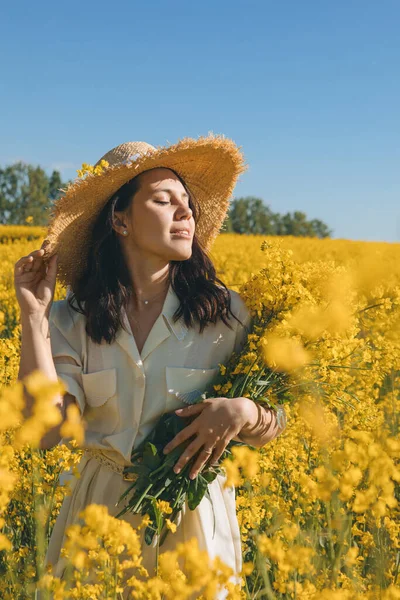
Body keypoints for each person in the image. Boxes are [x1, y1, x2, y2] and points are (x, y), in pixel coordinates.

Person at [14, 134, 287, 599]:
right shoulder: (71, 318)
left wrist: (243, 412)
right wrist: (33, 317)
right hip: (97, 523)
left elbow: (277, 418)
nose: (186, 213)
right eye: (164, 200)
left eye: (187, 204)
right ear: (119, 219)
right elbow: (46, 432)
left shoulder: (230, 314)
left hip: (193, 526)